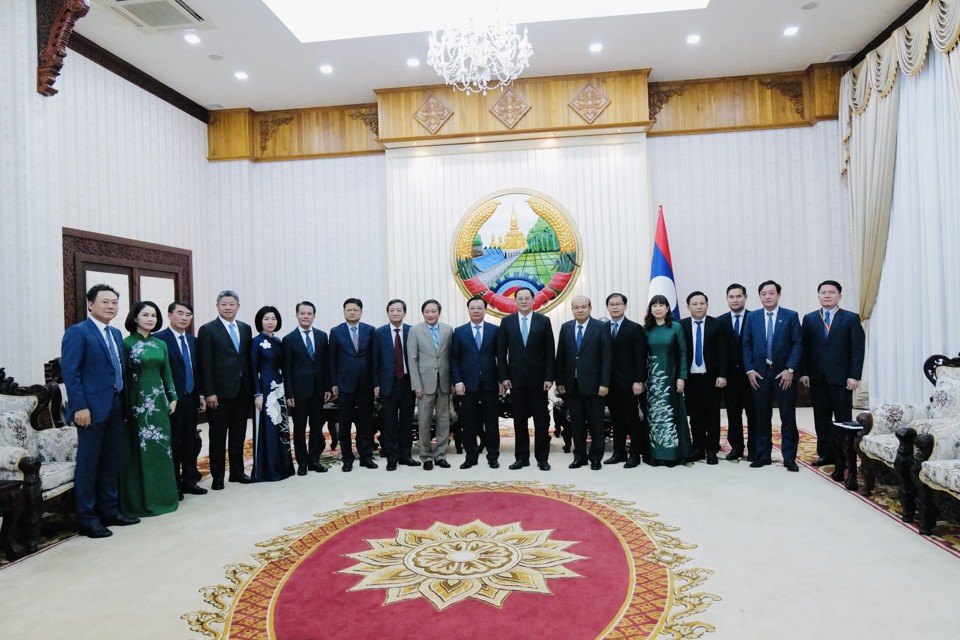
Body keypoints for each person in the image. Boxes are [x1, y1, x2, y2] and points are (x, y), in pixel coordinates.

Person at [61, 284, 141, 538]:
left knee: (111, 460)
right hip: (90, 409)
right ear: (90, 304)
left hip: (116, 404)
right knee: (89, 463)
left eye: (115, 302)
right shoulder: (78, 333)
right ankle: (87, 517)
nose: (111, 306)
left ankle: (109, 510)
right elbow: (71, 374)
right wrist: (80, 406)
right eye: (105, 302)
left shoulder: (116, 333)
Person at [119, 300, 179, 516]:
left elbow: (167, 373)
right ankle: (140, 501)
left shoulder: (160, 344)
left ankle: (164, 497)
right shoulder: (126, 344)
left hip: (160, 404)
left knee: (162, 450)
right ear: (135, 318)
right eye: (145, 315)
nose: (150, 319)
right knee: (139, 451)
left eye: (153, 315)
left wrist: (173, 396)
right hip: (137, 404)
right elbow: (123, 377)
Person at [799, 280, 865, 468]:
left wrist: (855, 375)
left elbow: (857, 350)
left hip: (842, 379)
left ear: (839, 296)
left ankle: (845, 456)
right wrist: (804, 373)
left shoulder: (851, 318)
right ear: (818, 295)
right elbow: (805, 348)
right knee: (821, 419)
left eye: (831, 292)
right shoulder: (810, 319)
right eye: (823, 292)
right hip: (817, 378)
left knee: (843, 420)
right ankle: (825, 454)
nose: (827, 295)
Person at [742, 280, 803, 472]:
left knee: (787, 416)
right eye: (763, 293)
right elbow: (746, 344)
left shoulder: (791, 316)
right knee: (761, 416)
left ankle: (789, 457)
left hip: (783, 374)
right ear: (759, 296)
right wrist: (750, 370)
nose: (767, 297)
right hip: (759, 374)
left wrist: (790, 369)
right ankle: (763, 455)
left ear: (778, 295)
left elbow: (797, 343)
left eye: (771, 293)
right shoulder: (752, 317)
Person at [197, 290, 253, 490]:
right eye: (224, 304)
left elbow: (246, 359)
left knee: (238, 434)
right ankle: (218, 476)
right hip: (218, 393)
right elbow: (205, 363)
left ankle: (237, 472)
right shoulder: (208, 329)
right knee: (218, 436)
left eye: (232, 304)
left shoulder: (246, 329)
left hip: (242, 390)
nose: (228, 307)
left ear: (238, 306)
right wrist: (209, 391)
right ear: (217, 306)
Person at [497, 287, 556, 471]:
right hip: (515, 380)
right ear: (515, 302)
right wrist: (504, 377)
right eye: (520, 299)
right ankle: (521, 458)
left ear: (533, 300)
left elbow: (549, 351)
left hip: (539, 381)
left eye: (527, 298)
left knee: (541, 421)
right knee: (519, 420)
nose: (523, 301)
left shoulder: (543, 321)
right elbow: (501, 352)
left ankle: (542, 459)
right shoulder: (506, 322)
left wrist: (549, 377)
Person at [154, 301, 207, 499]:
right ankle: (174, 482)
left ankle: (190, 480)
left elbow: (197, 370)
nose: (184, 318)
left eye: (188, 315)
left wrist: (201, 394)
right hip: (171, 399)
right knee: (173, 441)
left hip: (192, 397)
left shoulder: (193, 341)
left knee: (190, 440)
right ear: (170, 315)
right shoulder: (159, 339)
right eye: (180, 313)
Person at [556, 296, 612, 470]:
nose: (580, 310)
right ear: (571, 309)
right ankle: (579, 456)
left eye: (583, 307)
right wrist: (560, 381)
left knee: (596, 423)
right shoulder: (566, 328)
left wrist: (604, 383)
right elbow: (561, 357)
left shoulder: (601, 327)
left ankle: (596, 457)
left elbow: (606, 358)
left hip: (595, 385)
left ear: (590, 308)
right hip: (572, 385)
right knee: (576, 423)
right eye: (576, 307)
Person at [451, 296, 501, 469]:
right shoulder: (459, 331)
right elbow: (454, 360)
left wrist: (502, 380)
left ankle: (493, 456)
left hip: (490, 383)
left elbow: (500, 358)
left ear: (484, 310)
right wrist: (457, 381)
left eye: (479, 308)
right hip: (467, 385)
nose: (476, 311)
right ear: (468, 310)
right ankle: (471, 456)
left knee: (492, 422)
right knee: (468, 423)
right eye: (473, 308)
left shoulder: (495, 330)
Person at [282, 301, 330, 476]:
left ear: (314, 316)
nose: (306, 316)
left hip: (319, 391)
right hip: (299, 392)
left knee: (317, 428)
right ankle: (302, 463)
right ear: (296, 315)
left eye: (309, 314)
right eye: (302, 313)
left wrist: (326, 387)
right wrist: (289, 393)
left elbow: (326, 364)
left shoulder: (322, 336)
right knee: (300, 429)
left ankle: (314, 460)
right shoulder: (288, 339)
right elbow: (286, 369)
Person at [680, 291, 728, 465]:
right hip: (691, 378)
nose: (699, 307)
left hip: (712, 378)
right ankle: (698, 448)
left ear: (707, 305)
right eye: (695, 304)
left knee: (712, 415)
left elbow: (723, 352)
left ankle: (711, 449)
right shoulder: (681, 325)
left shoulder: (717, 324)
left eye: (702, 303)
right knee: (695, 415)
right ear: (688, 307)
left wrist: (722, 374)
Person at [643, 294, 691, 466]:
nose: (658, 308)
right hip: (651, 381)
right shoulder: (645, 328)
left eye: (661, 305)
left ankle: (673, 454)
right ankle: (655, 454)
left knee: (672, 415)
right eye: (654, 305)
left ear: (668, 308)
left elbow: (683, 353)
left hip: (671, 377)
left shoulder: (676, 327)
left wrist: (681, 377)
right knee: (654, 416)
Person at [329, 298, 376, 472]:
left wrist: (375, 382)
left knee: (365, 423)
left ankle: (366, 457)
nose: (352, 312)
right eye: (348, 310)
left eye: (355, 310)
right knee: (345, 423)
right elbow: (331, 360)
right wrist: (333, 383)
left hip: (366, 384)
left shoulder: (370, 331)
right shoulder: (336, 332)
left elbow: (374, 359)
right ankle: (347, 459)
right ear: (344, 312)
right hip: (344, 384)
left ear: (361, 312)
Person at [372, 299, 420, 470]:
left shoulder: (412, 331)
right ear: (387, 313)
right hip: (388, 383)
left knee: (407, 422)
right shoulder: (379, 333)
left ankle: (406, 456)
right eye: (392, 310)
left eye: (399, 310)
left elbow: (418, 358)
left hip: (408, 383)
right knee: (389, 422)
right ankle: (392, 458)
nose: (395, 313)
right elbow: (375, 361)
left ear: (404, 313)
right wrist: (376, 383)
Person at [407, 299, 454, 470]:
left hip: (444, 382)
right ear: (423, 313)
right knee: (424, 421)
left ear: (439, 312)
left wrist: (453, 382)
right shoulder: (415, 331)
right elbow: (412, 360)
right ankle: (426, 455)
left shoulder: (448, 330)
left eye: (433, 311)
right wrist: (416, 385)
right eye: (427, 311)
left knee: (443, 420)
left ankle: (440, 454)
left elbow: (451, 357)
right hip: (424, 383)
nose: (430, 314)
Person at [603, 293, 648, 468]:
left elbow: (640, 357)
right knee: (616, 419)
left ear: (625, 306)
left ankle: (635, 454)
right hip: (610, 383)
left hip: (630, 383)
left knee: (632, 419)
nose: (615, 307)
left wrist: (639, 381)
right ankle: (619, 452)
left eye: (618, 304)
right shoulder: (603, 328)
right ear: (607, 307)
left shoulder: (635, 328)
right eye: (611, 304)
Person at [251, 306, 295, 482]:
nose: (270, 322)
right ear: (260, 321)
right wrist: (257, 393)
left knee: (280, 427)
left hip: (279, 388)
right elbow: (252, 369)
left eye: (273, 319)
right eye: (266, 318)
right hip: (265, 390)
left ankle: (282, 467)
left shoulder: (278, 341)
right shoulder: (256, 342)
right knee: (267, 429)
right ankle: (267, 470)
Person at [716, 284, 756, 461]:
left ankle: (754, 448)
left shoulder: (755, 318)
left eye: (738, 296)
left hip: (752, 376)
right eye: (731, 297)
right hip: (730, 377)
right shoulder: (720, 321)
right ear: (727, 299)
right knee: (733, 414)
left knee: (754, 414)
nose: (735, 300)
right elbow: (718, 351)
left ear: (745, 297)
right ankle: (736, 447)